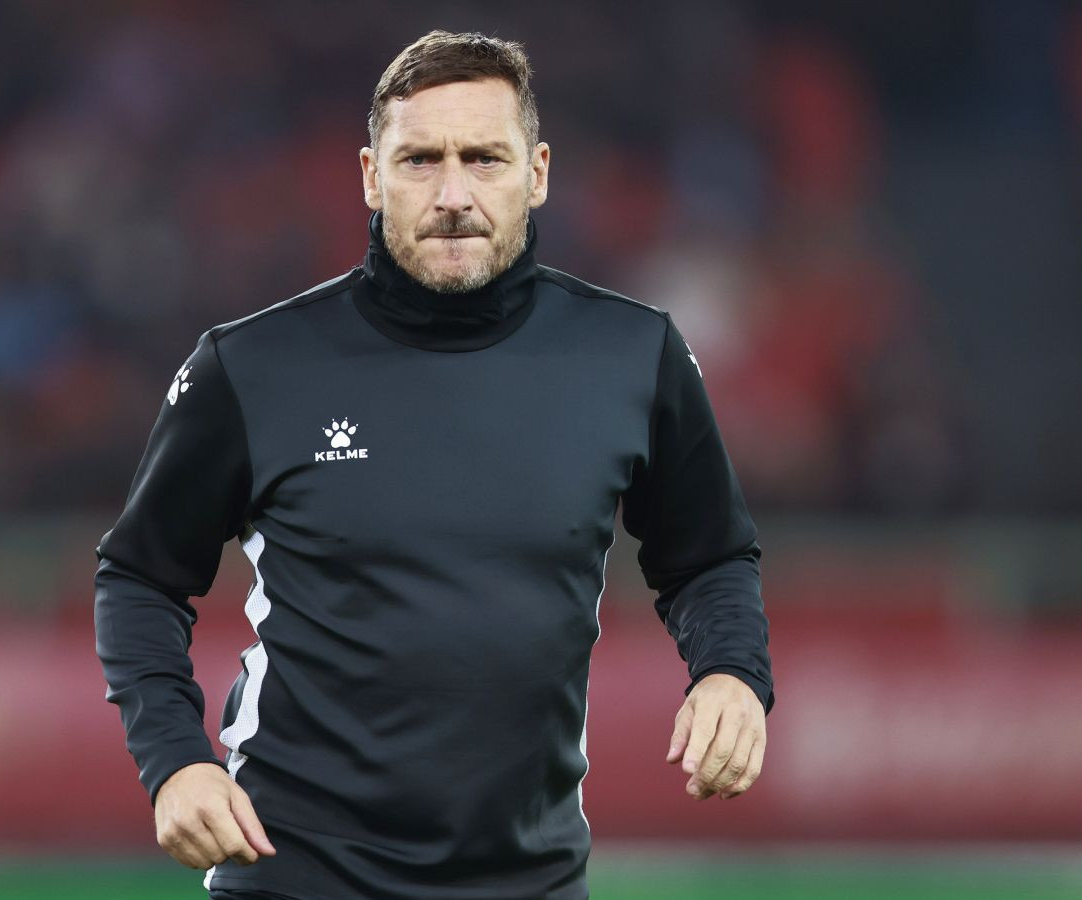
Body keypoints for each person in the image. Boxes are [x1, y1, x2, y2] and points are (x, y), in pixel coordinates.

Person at [94, 29, 773, 900]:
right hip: (294, 874)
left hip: (530, 881)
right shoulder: (253, 366)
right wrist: (177, 762)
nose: (453, 194)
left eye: (484, 158)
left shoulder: (633, 356)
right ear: (372, 177)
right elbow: (139, 578)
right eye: (420, 161)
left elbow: (709, 558)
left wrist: (731, 672)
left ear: (537, 173)